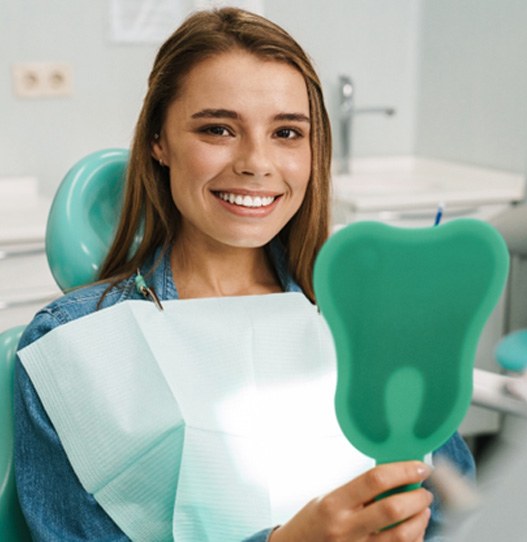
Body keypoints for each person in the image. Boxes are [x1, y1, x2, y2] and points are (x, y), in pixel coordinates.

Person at [14, 7, 474, 542]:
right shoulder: (73, 347)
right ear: (159, 140)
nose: (257, 162)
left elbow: (460, 511)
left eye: (286, 132)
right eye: (218, 129)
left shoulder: (371, 320)